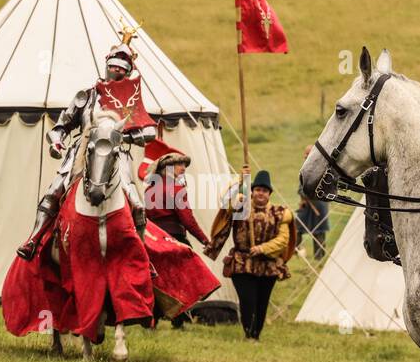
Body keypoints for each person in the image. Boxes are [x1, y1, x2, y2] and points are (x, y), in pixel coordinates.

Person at [16, 38, 157, 260]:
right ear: (106, 66)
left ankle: (142, 257)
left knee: (138, 204)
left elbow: (150, 131)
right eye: (113, 66)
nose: (116, 70)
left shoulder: (130, 100)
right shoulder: (86, 96)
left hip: (116, 153)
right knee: (54, 192)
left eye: (122, 68)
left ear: (128, 72)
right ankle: (33, 240)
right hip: (82, 150)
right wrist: (57, 141)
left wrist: (130, 136)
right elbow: (61, 126)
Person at [205, 169, 296, 340]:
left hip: (267, 265)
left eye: (265, 191)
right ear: (252, 191)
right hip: (242, 262)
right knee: (248, 301)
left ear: (269, 194)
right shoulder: (241, 207)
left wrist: (262, 248)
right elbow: (225, 203)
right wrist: (240, 179)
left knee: (262, 303)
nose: (261, 193)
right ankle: (248, 333)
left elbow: (283, 240)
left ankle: (256, 335)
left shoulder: (280, 213)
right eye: (258, 190)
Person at [141, 141, 210, 328]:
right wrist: (204, 239)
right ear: (167, 168)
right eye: (179, 165)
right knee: (181, 279)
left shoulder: (149, 190)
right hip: (174, 239)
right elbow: (188, 220)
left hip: (152, 239)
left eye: (184, 165)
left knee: (156, 281)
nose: (183, 169)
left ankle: (151, 321)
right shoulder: (177, 190)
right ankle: (179, 320)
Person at [296, 148, 330, 259]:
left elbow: (323, 188)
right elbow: (302, 187)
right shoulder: (304, 168)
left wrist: (305, 193)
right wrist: (302, 194)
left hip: (319, 206)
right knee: (297, 227)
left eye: (308, 154)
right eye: (305, 154)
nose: (305, 156)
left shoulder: (322, 168)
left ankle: (319, 257)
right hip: (306, 204)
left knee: (319, 231)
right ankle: (295, 250)